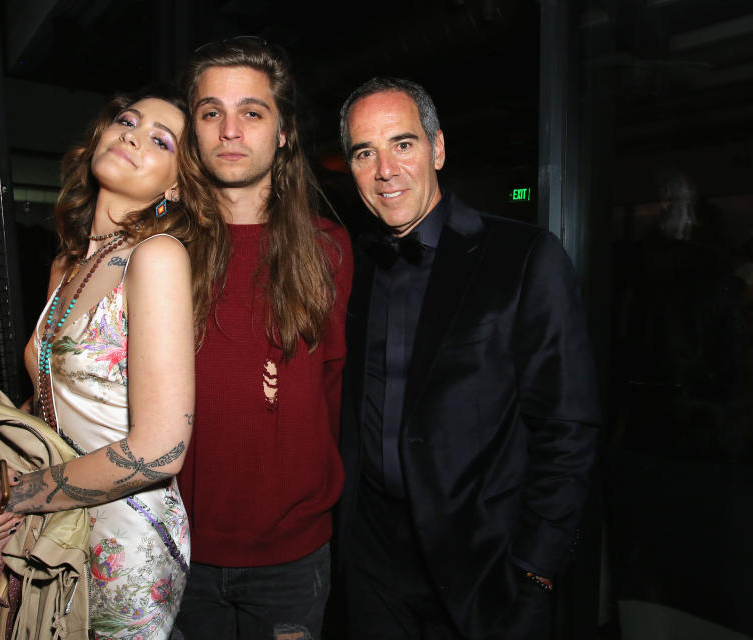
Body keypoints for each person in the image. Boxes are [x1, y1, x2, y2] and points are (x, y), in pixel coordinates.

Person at [334, 77, 600, 640]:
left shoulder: (523, 257)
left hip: (486, 565)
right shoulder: (346, 267)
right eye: (365, 152)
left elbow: (567, 427)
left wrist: (538, 570)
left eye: (402, 144)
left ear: (438, 148)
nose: (385, 169)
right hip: (371, 562)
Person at [0, 91, 201, 640]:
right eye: (126, 120)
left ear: (176, 185)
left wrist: (18, 495)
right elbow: (49, 405)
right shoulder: (67, 264)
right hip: (57, 523)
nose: (134, 135)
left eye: (160, 140)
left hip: (126, 541)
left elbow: (161, 449)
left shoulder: (158, 256)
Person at [173, 38, 353, 640]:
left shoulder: (329, 248)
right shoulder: (158, 250)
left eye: (251, 112)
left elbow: (332, 390)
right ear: (193, 132)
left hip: (293, 557)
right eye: (210, 113)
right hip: (175, 548)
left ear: (282, 133)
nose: (229, 130)